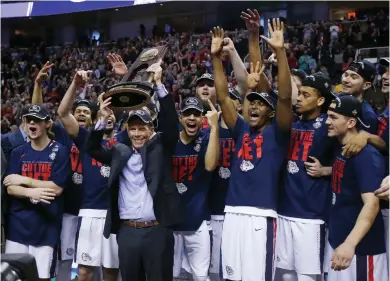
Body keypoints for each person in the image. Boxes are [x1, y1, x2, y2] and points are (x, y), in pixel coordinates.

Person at [211, 18, 293, 280]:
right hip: (232, 212)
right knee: (232, 276)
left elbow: (285, 97)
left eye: (261, 104)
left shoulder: (279, 132)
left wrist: (280, 53)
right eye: (251, 103)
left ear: (270, 112)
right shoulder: (240, 129)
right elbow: (224, 97)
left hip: (261, 216)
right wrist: (216, 58)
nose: (255, 106)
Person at [85, 64, 183, 281]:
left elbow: (170, 123)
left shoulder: (161, 148)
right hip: (128, 231)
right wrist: (101, 120)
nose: (138, 133)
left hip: (158, 230)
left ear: (151, 130)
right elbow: (91, 148)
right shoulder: (119, 152)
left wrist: (159, 85)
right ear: (127, 131)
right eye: (133, 129)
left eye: (142, 128)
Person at [57, 71, 120, 281]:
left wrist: (124, 79)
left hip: (116, 214)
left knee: (111, 272)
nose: (109, 115)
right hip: (90, 211)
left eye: (113, 112)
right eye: (105, 112)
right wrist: (75, 84)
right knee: (84, 272)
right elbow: (64, 114)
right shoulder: (86, 139)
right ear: (97, 117)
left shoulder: (127, 141)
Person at [276, 73, 337, 281]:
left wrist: (327, 170)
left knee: (308, 276)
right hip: (284, 209)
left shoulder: (330, 126)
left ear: (320, 100)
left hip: (312, 214)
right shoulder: (290, 123)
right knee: (285, 274)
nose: (299, 98)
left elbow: (351, 159)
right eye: (299, 94)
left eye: (305, 95)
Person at [3, 105, 70, 281]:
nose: (32, 123)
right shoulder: (18, 152)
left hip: (46, 228)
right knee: (13, 277)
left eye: (37, 120)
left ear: (47, 124)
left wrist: (25, 181)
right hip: (17, 228)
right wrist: (32, 193)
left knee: (41, 278)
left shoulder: (60, 151)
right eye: (28, 120)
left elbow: (56, 188)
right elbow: (10, 187)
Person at [325, 95, 388, 280]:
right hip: (340, 241)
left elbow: (372, 204)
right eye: (328, 116)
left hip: (360, 250)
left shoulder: (366, 156)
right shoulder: (342, 145)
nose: (327, 122)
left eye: (334, 117)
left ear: (351, 122)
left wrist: (350, 244)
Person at [172, 96, 219, 281]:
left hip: (198, 220)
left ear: (202, 119)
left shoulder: (207, 138)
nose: (192, 118)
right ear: (180, 118)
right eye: (187, 114)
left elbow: (210, 165)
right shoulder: (170, 138)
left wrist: (214, 127)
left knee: (201, 276)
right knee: (168, 275)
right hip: (170, 222)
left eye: (197, 114)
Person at [340, 60, 379, 134]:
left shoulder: (368, 116)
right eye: (346, 75)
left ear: (366, 85)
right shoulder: (332, 99)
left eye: (353, 77)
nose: (345, 80)